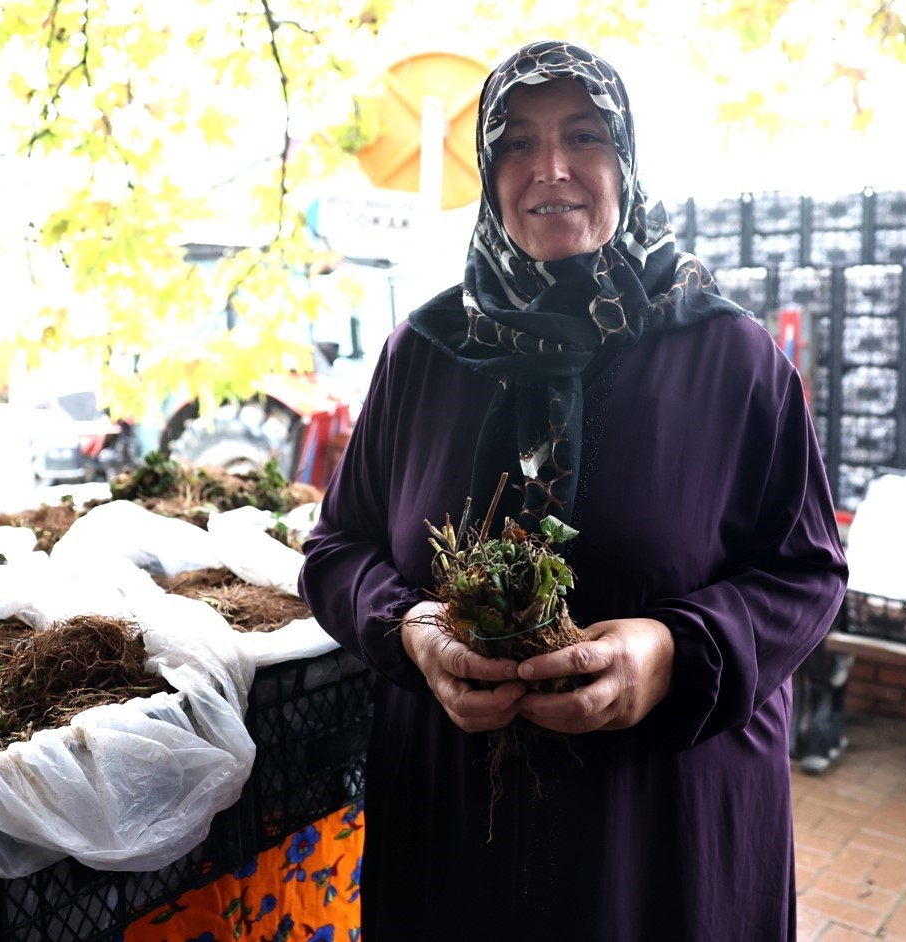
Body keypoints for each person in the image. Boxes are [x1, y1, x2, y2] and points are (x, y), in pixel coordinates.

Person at [298, 39, 847, 940]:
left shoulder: (729, 356)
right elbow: (338, 550)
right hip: (456, 834)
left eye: (583, 135)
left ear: (625, 159)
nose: (549, 168)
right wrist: (412, 631)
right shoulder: (424, 355)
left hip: (660, 839)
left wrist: (672, 652)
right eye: (514, 142)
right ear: (487, 170)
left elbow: (807, 574)